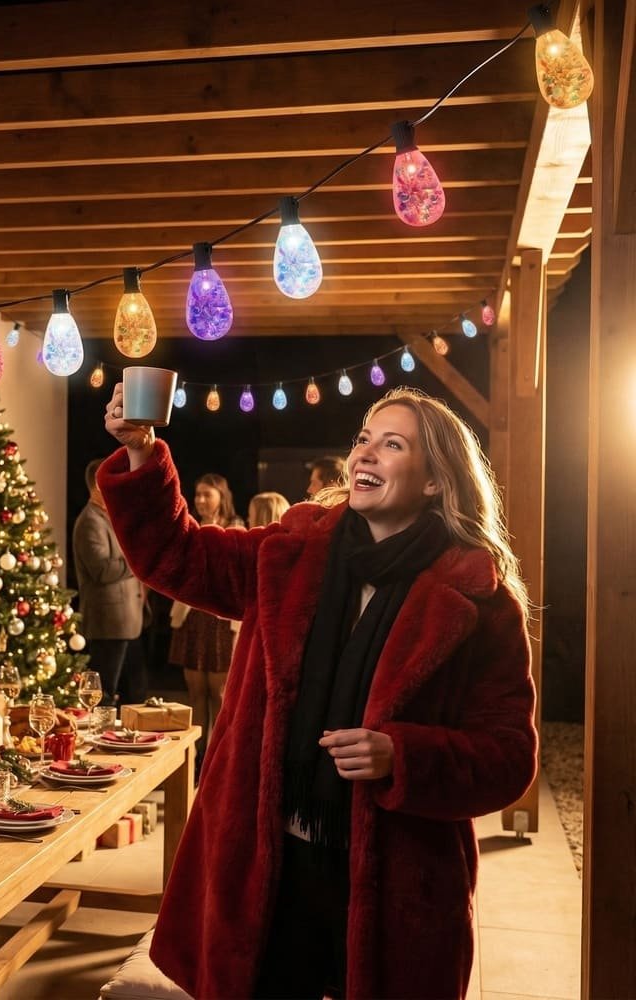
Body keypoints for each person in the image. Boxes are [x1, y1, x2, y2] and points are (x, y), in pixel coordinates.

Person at [98, 385, 536, 1000]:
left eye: (392, 445)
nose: (366, 455)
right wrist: (142, 451)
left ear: (435, 480)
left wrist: (400, 756)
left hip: (395, 883)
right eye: (363, 440)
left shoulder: (481, 603)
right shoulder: (287, 555)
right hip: (266, 867)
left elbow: (508, 756)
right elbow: (177, 554)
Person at [168, 473, 243, 754]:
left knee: (219, 694)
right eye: (197, 494)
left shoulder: (234, 527)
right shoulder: (192, 527)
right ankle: (197, 757)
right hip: (193, 616)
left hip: (219, 620)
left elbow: (228, 575)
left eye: (206, 495)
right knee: (195, 693)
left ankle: (219, 756)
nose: (200, 500)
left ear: (221, 497)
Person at [71, 458, 144, 703]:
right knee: (104, 694)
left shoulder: (110, 517)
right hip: (108, 624)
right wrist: (137, 558)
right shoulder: (90, 522)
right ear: (97, 486)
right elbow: (102, 570)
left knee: (131, 693)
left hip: (127, 621)